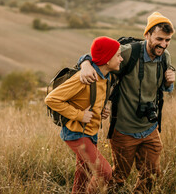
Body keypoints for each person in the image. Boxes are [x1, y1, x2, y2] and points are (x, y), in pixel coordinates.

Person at [78, 12, 176, 193]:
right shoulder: (129, 52)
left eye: (168, 40)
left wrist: (169, 82)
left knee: (152, 174)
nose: (163, 44)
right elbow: (95, 58)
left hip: (149, 127)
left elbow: (163, 89)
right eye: (159, 39)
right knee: (118, 177)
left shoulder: (165, 56)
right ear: (147, 35)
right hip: (123, 129)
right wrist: (84, 64)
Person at [45, 36, 123, 194]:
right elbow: (51, 99)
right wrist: (79, 115)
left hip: (90, 134)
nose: (121, 59)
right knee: (105, 172)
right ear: (107, 59)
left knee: (83, 177)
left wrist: (101, 111)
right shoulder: (83, 78)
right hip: (76, 133)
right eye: (118, 55)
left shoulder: (105, 78)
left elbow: (89, 100)